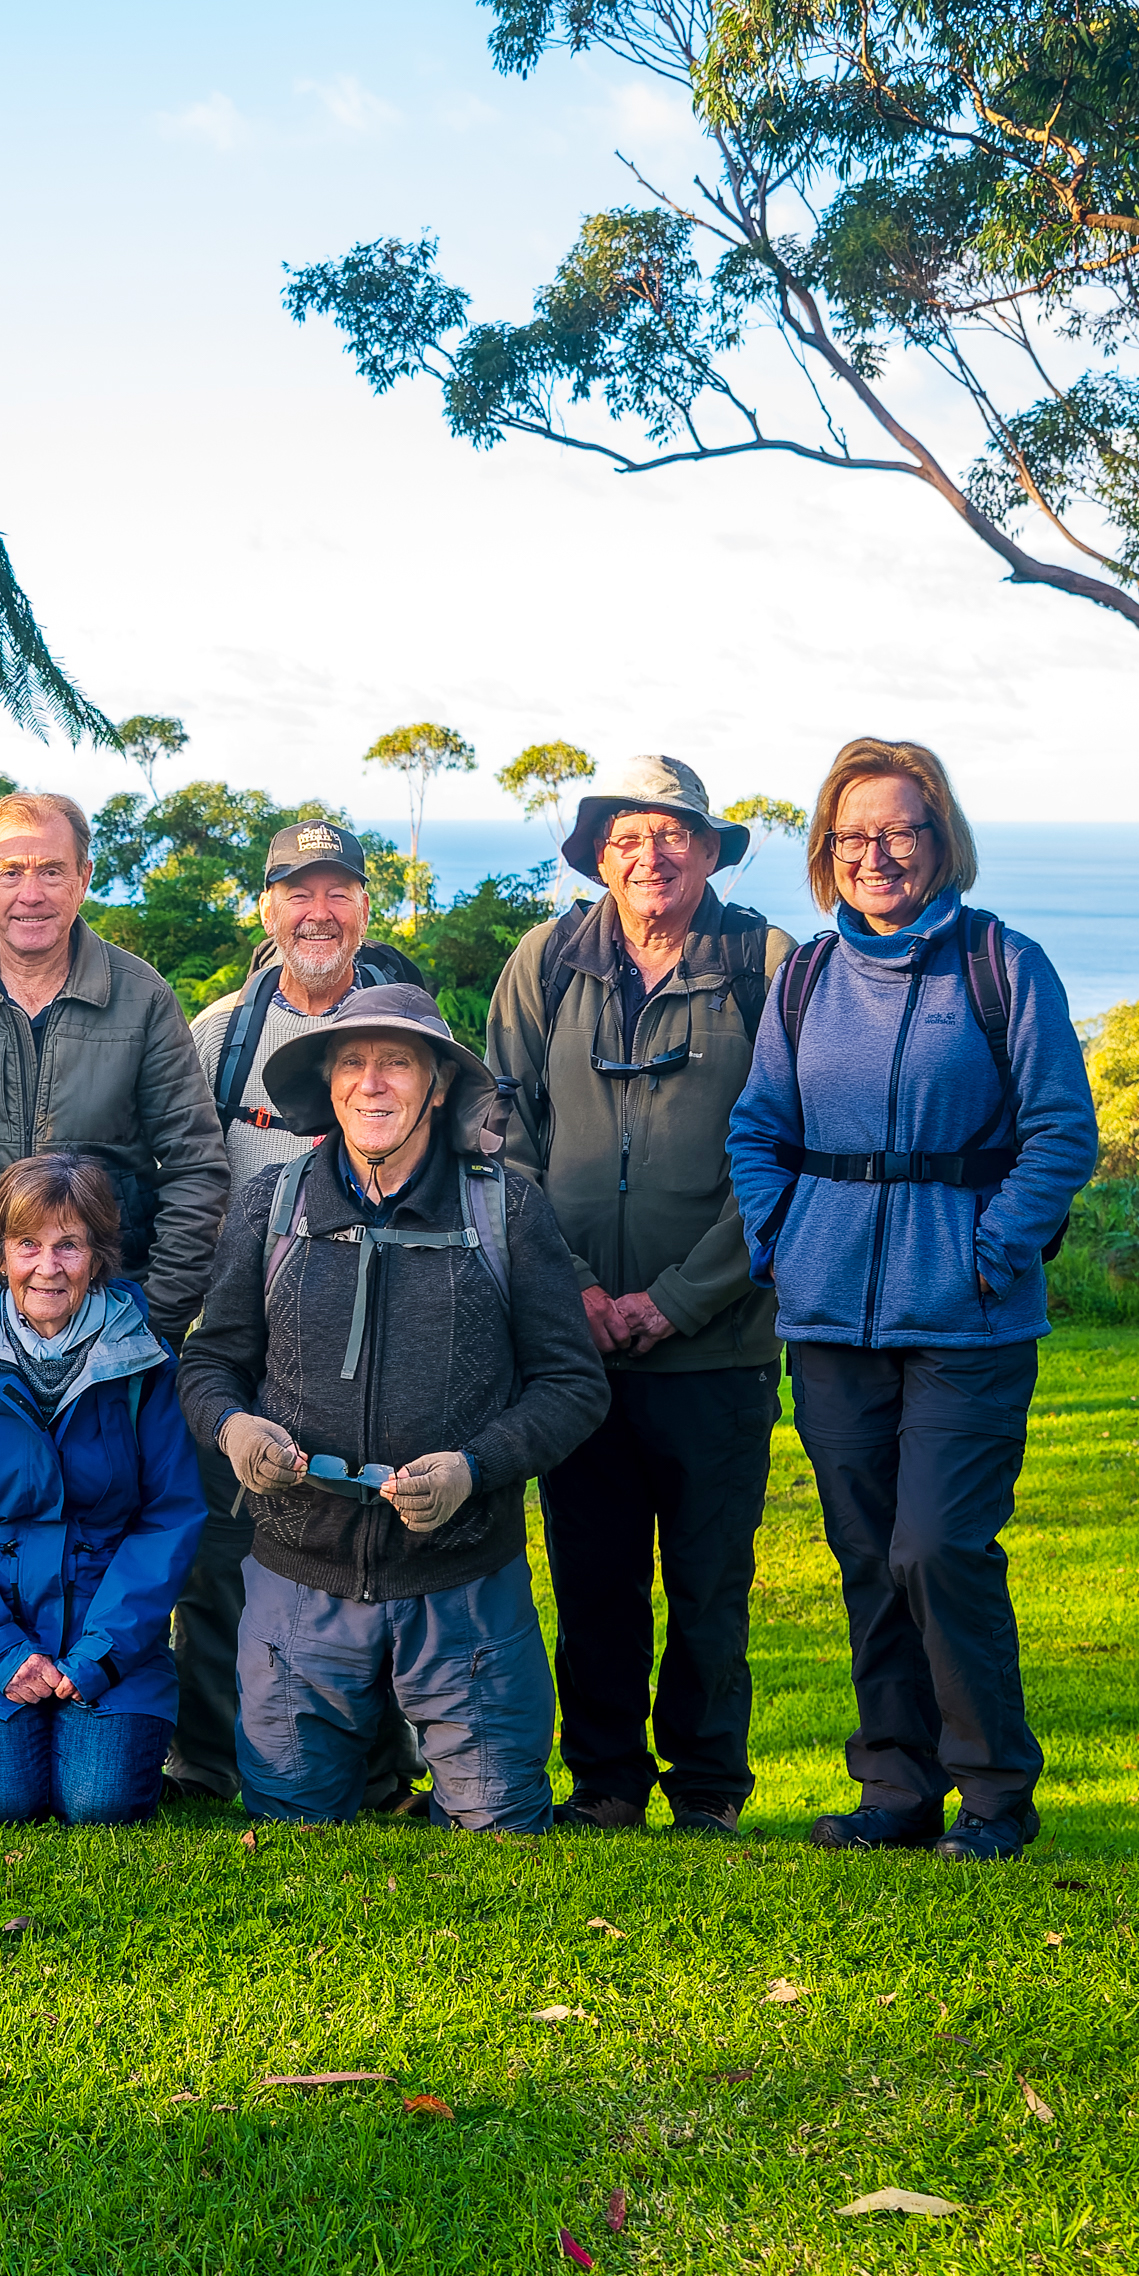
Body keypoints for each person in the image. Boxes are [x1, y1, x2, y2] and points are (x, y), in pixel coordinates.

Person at [725, 736, 1097, 1863]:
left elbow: (1058, 1132)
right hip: (829, 1314)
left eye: (897, 830)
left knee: (937, 1549)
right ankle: (893, 1789)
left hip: (969, 1316)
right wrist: (782, 1242)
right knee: (865, 1553)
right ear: (823, 855)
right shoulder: (802, 978)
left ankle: (993, 1797)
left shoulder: (1000, 964)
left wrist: (991, 1249)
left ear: (940, 840)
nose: (874, 854)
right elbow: (756, 1129)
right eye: (851, 836)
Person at [178, 983, 608, 1828]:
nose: (371, 1083)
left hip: (462, 1587)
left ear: (438, 1085)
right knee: (294, 1830)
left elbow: (572, 1385)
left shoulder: (502, 1206)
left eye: (396, 1063)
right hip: (298, 1583)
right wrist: (233, 1429)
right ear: (328, 1083)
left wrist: (474, 1468)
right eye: (352, 1062)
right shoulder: (272, 1205)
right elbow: (209, 1361)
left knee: (502, 1829)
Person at [486, 755, 794, 1840]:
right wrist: (567, 1287)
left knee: (709, 1586)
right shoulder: (544, 960)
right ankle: (605, 1782)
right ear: (595, 855)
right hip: (571, 1349)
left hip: (716, 1344)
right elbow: (500, 1134)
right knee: (591, 1577)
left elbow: (787, 1157)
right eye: (624, 836)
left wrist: (671, 1299)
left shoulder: (764, 963)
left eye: (671, 834)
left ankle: (708, 1788)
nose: (648, 854)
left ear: (708, 851)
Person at [170, 817, 425, 1809]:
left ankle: (379, 1772)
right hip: (241, 1348)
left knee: (369, 1563)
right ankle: (206, 1763)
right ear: (265, 908)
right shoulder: (219, 1035)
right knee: (219, 1562)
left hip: (380, 1348)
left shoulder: (403, 1025)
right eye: (294, 892)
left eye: (336, 892)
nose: (316, 912)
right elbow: (180, 1178)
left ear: (364, 905)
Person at [0, 1152, 205, 1824]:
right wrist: (3, 1651)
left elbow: (168, 1519)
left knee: (99, 1804)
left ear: (97, 1256)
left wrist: (99, 1654)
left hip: (110, 1637)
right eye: (27, 1245)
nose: (47, 1267)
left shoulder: (145, 1363)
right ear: (0, 1255)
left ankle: (96, 1733)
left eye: (69, 1245)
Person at [0, 790, 230, 1361]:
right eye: (11, 871)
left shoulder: (141, 997)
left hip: (113, 1319)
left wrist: (160, 1316)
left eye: (52, 870)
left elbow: (196, 1165)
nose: (31, 893)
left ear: (84, 877)